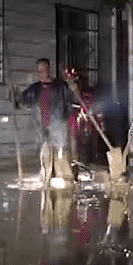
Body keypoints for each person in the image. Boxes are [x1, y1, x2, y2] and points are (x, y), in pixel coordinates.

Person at [18, 58, 80, 186]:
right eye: (38, 71)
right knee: (45, 153)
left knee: (61, 153)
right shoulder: (35, 89)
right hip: (42, 126)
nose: (40, 73)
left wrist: (74, 90)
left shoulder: (60, 86)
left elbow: (72, 101)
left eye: (43, 70)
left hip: (58, 124)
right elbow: (22, 100)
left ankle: (66, 179)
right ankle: (46, 178)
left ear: (48, 70)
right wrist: (14, 95)